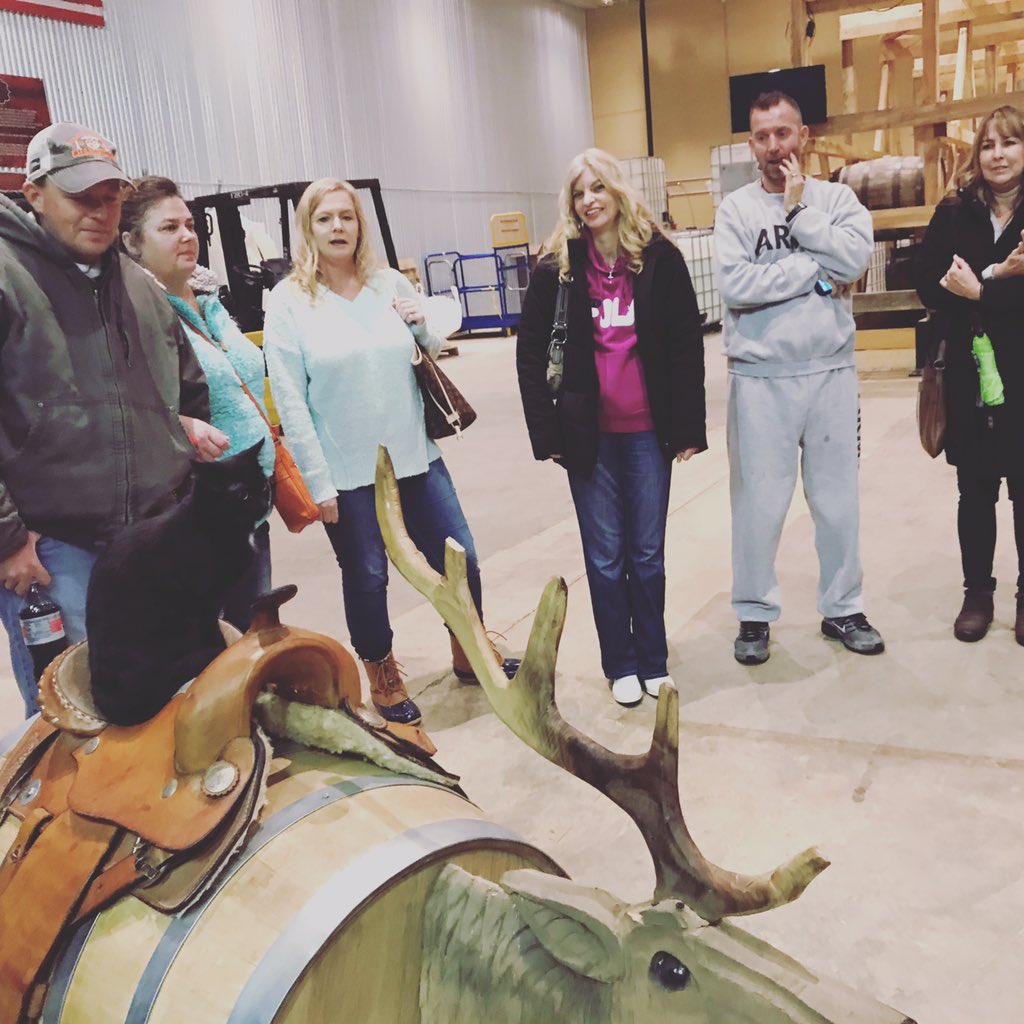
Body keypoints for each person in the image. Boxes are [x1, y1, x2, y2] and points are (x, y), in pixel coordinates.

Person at [262, 177, 517, 727]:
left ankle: (468, 648)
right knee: (368, 574)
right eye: (325, 218)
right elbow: (289, 398)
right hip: (346, 469)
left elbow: (424, 346)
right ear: (308, 229)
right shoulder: (289, 302)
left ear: (360, 225)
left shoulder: (386, 283)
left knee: (460, 556)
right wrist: (318, 482)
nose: (337, 228)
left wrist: (425, 324)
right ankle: (380, 669)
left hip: (414, 455)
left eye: (346, 217)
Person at [0, 122, 224, 716]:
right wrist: (6, 539)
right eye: (81, 197)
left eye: (110, 196)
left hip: (152, 539)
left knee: (168, 700)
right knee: (70, 714)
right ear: (34, 193)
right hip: (54, 549)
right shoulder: (6, 275)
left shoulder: (139, 286)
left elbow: (188, 391)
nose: (100, 212)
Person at [516, 148, 707, 707]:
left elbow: (685, 347)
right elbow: (530, 356)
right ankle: (619, 663)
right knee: (605, 557)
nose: (589, 200)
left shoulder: (659, 259)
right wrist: (547, 436)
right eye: (579, 192)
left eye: (598, 187)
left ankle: (653, 659)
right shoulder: (558, 268)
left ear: (618, 193)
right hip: (587, 438)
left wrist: (689, 426)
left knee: (647, 554)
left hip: (649, 433)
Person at [713, 91, 884, 665]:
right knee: (759, 504)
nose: (773, 147)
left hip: (830, 372)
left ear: (804, 136)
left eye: (783, 133)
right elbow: (738, 288)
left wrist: (799, 213)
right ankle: (755, 614)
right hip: (761, 377)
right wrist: (815, 268)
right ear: (749, 143)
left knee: (837, 502)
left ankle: (843, 606)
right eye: (762, 136)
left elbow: (856, 260)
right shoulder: (735, 211)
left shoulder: (836, 200)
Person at [119, 176, 275, 631]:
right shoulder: (136, 311)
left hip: (248, 502)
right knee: (206, 642)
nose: (187, 236)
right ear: (132, 243)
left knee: (252, 634)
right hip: (195, 513)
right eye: (169, 228)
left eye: (190, 224)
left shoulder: (210, 299)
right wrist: (180, 424)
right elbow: (133, 405)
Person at [916, 104, 1024, 645]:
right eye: (988, 145)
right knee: (974, 488)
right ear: (976, 155)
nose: (998, 155)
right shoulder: (954, 211)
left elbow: (969, 289)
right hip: (968, 367)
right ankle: (977, 593)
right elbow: (926, 281)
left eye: (1009, 142)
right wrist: (992, 280)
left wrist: (982, 289)